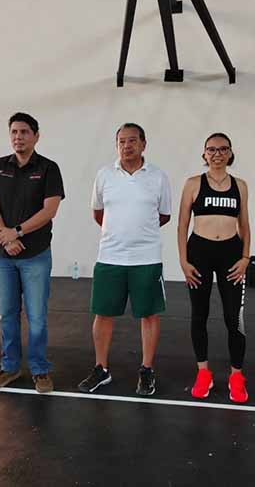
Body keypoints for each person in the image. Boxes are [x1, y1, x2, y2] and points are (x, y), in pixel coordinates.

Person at [78, 123, 171, 396]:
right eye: (121, 141)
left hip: (147, 258)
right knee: (103, 313)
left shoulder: (158, 177)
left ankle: (147, 370)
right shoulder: (104, 175)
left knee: (149, 314)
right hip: (110, 256)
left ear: (143, 144)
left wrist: (139, 233)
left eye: (132, 140)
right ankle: (101, 369)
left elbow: (164, 215)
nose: (126, 146)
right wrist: (118, 234)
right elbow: (98, 213)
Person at [0, 112, 65, 394]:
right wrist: (5, 237)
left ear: (36, 136)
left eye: (24, 132)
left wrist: (16, 232)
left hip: (35, 255)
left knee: (37, 317)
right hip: (3, 256)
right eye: (14, 132)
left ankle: (40, 369)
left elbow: (49, 210)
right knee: (7, 315)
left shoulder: (49, 168)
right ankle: (10, 367)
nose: (18, 137)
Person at [177, 133, 251, 402]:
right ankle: (203, 372)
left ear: (230, 153)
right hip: (199, 253)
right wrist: (183, 261)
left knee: (234, 318)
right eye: (212, 149)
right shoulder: (193, 183)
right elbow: (182, 225)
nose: (217, 154)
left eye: (222, 149)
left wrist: (245, 258)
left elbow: (245, 224)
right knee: (199, 315)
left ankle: (236, 376)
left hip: (231, 254)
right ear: (204, 154)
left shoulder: (240, 185)